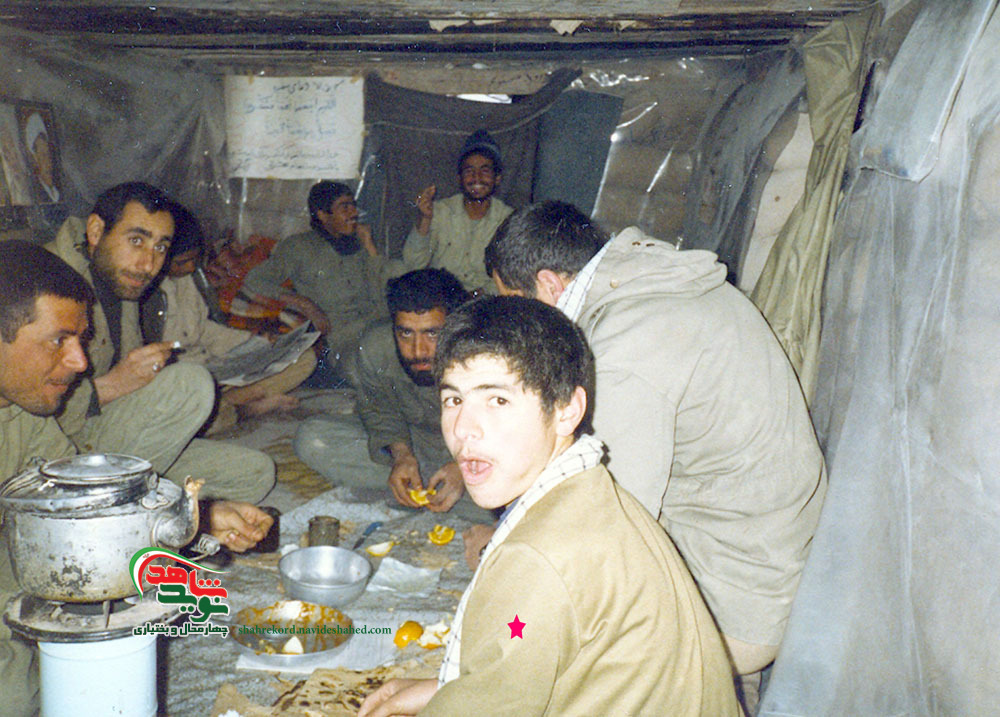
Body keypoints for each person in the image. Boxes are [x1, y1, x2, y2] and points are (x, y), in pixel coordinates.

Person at [484, 201, 828, 694]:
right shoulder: (652, 285)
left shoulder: (629, 343)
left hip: (737, 603)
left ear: (550, 285)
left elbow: (608, 526)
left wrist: (512, 579)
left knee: (553, 657)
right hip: (763, 561)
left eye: (520, 305)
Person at [358, 296, 739, 717]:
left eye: (497, 400)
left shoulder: (536, 558)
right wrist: (447, 689)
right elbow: (525, 664)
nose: (464, 429)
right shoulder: (591, 489)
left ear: (567, 411)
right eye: (454, 400)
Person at [0, 240, 274, 717]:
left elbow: (84, 508)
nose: (80, 362)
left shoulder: (24, 412)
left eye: (80, 340)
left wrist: (196, 518)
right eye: (58, 340)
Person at [46, 181, 275, 502]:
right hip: (55, 451)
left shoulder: (123, 280)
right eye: (136, 240)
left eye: (161, 247)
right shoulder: (46, 282)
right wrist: (111, 386)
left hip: (103, 433)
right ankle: (104, 505)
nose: (149, 264)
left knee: (256, 473)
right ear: (96, 231)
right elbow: (25, 418)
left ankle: (130, 496)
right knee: (191, 384)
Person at [294, 269, 476, 514]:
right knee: (312, 438)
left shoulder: (483, 355)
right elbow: (379, 409)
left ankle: (450, 489)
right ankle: (420, 485)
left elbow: (512, 433)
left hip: (476, 452)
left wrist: (464, 467)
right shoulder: (376, 347)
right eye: (406, 333)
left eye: (432, 333)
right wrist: (401, 455)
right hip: (416, 445)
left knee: (504, 502)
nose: (418, 350)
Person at [142, 202, 316, 434]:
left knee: (305, 357)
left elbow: (203, 330)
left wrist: (254, 341)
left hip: (214, 368)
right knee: (182, 418)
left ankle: (237, 398)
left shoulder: (188, 280)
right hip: (186, 378)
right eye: (182, 262)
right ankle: (241, 406)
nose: (191, 267)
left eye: (194, 259)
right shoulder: (145, 293)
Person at [242, 180, 392, 385]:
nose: (354, 213)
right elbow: (255, 280)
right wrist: (305, 304)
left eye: (353, 205)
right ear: (323, 215)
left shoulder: (360, 242)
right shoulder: (298, 247)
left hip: (381, 325)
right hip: (345, 339)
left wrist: (370, 248)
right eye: (344, 207)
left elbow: (385, 289)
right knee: (367, 374)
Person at [401, 129, 513, 295]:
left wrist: (479, 294)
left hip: (485, 302)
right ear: (459, 178)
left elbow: (512, 276)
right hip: (440, 299)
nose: (477, 178)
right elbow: (413, 265)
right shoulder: (440, 211)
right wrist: (425, 219)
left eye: (485, 171)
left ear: (497, 178)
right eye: (469, 171)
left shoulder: (509, 220)